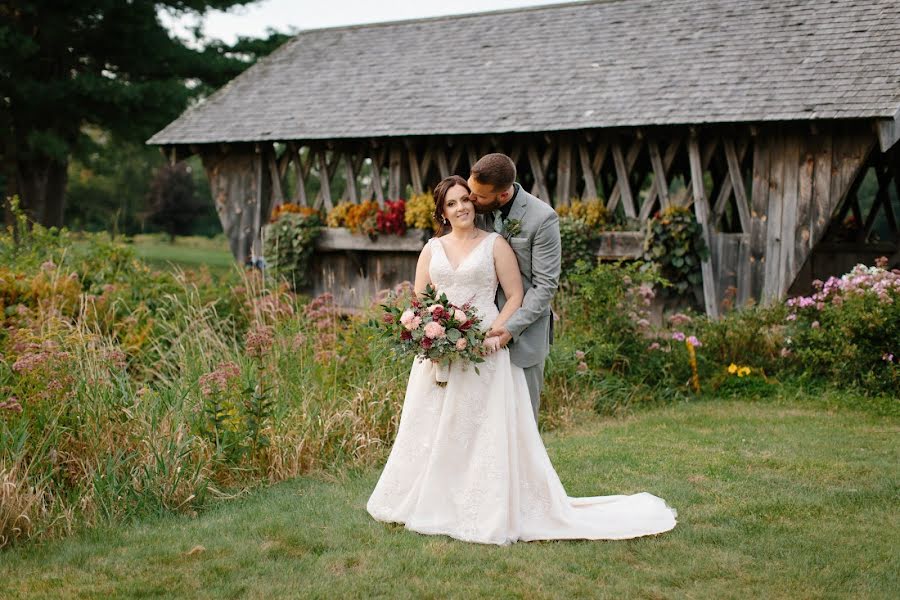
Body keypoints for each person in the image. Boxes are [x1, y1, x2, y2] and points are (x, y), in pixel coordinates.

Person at [366, 175, 677, 545]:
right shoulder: (431, 249)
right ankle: (432, 499)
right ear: (442, 212)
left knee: (480, 430)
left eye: (466, 199)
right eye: (452, 203)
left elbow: (515, 295)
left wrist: (495, 334)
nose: (462, 206)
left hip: (485, 347)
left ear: (475, 202)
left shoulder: (495, 244)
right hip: (439, 354)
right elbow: (420, 299)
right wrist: (427, 333)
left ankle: (482, 505)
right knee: (433, 428)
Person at [467, 153, 559, 424]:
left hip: (523, 333)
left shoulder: (542, 219)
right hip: (477, 329)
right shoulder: (476, 210)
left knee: (522, 421)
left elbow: (545, 286)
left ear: (503, 195)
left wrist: (510, 328)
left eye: (479, 197)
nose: (471, 200)